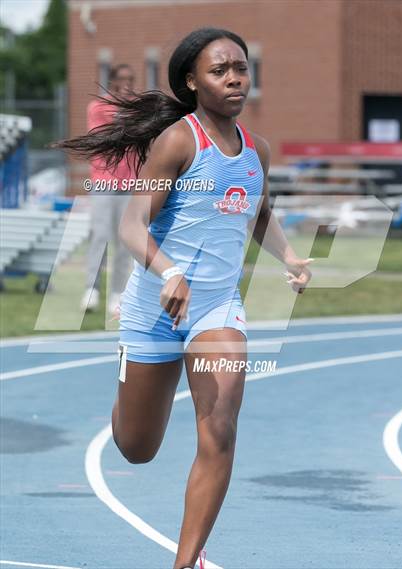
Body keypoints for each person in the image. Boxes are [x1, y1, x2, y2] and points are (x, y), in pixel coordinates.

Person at [55, 27, 313, 569]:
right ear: (192, 82)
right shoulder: (178, 141)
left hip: (216, 308)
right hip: (154, 307)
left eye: (241, 67)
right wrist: (170, 273)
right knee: (135, 448)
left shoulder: (256, 151)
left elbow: (258, 212)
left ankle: (186, 561)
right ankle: (128, 394)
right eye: (220, 70)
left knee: (219, 424)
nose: (235, 77)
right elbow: (132, 226)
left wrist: (288, 257)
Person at [81, 63, 136, 315]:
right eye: (121, 79)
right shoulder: (98, 107)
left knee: (126, 241)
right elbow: (104, 137)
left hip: (130, 183)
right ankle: (91, 289)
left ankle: (118, 293)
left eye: (130, 80)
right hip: (104, 181)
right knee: (100, 235)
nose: (126, 84)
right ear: (112, 81)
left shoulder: (137, 109)